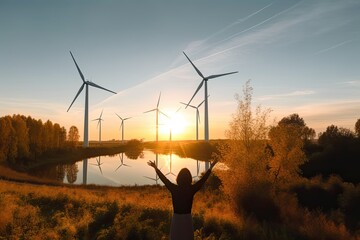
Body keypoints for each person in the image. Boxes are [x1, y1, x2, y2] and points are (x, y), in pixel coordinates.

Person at [147, 159, 218, 240]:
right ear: (190, 178)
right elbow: (203, 180)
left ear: (178, 178)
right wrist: (211, 166)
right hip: (187, 219)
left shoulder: (174, 188)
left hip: (176, 219)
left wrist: (156, 168)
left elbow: (164, 179)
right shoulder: (191, 189)